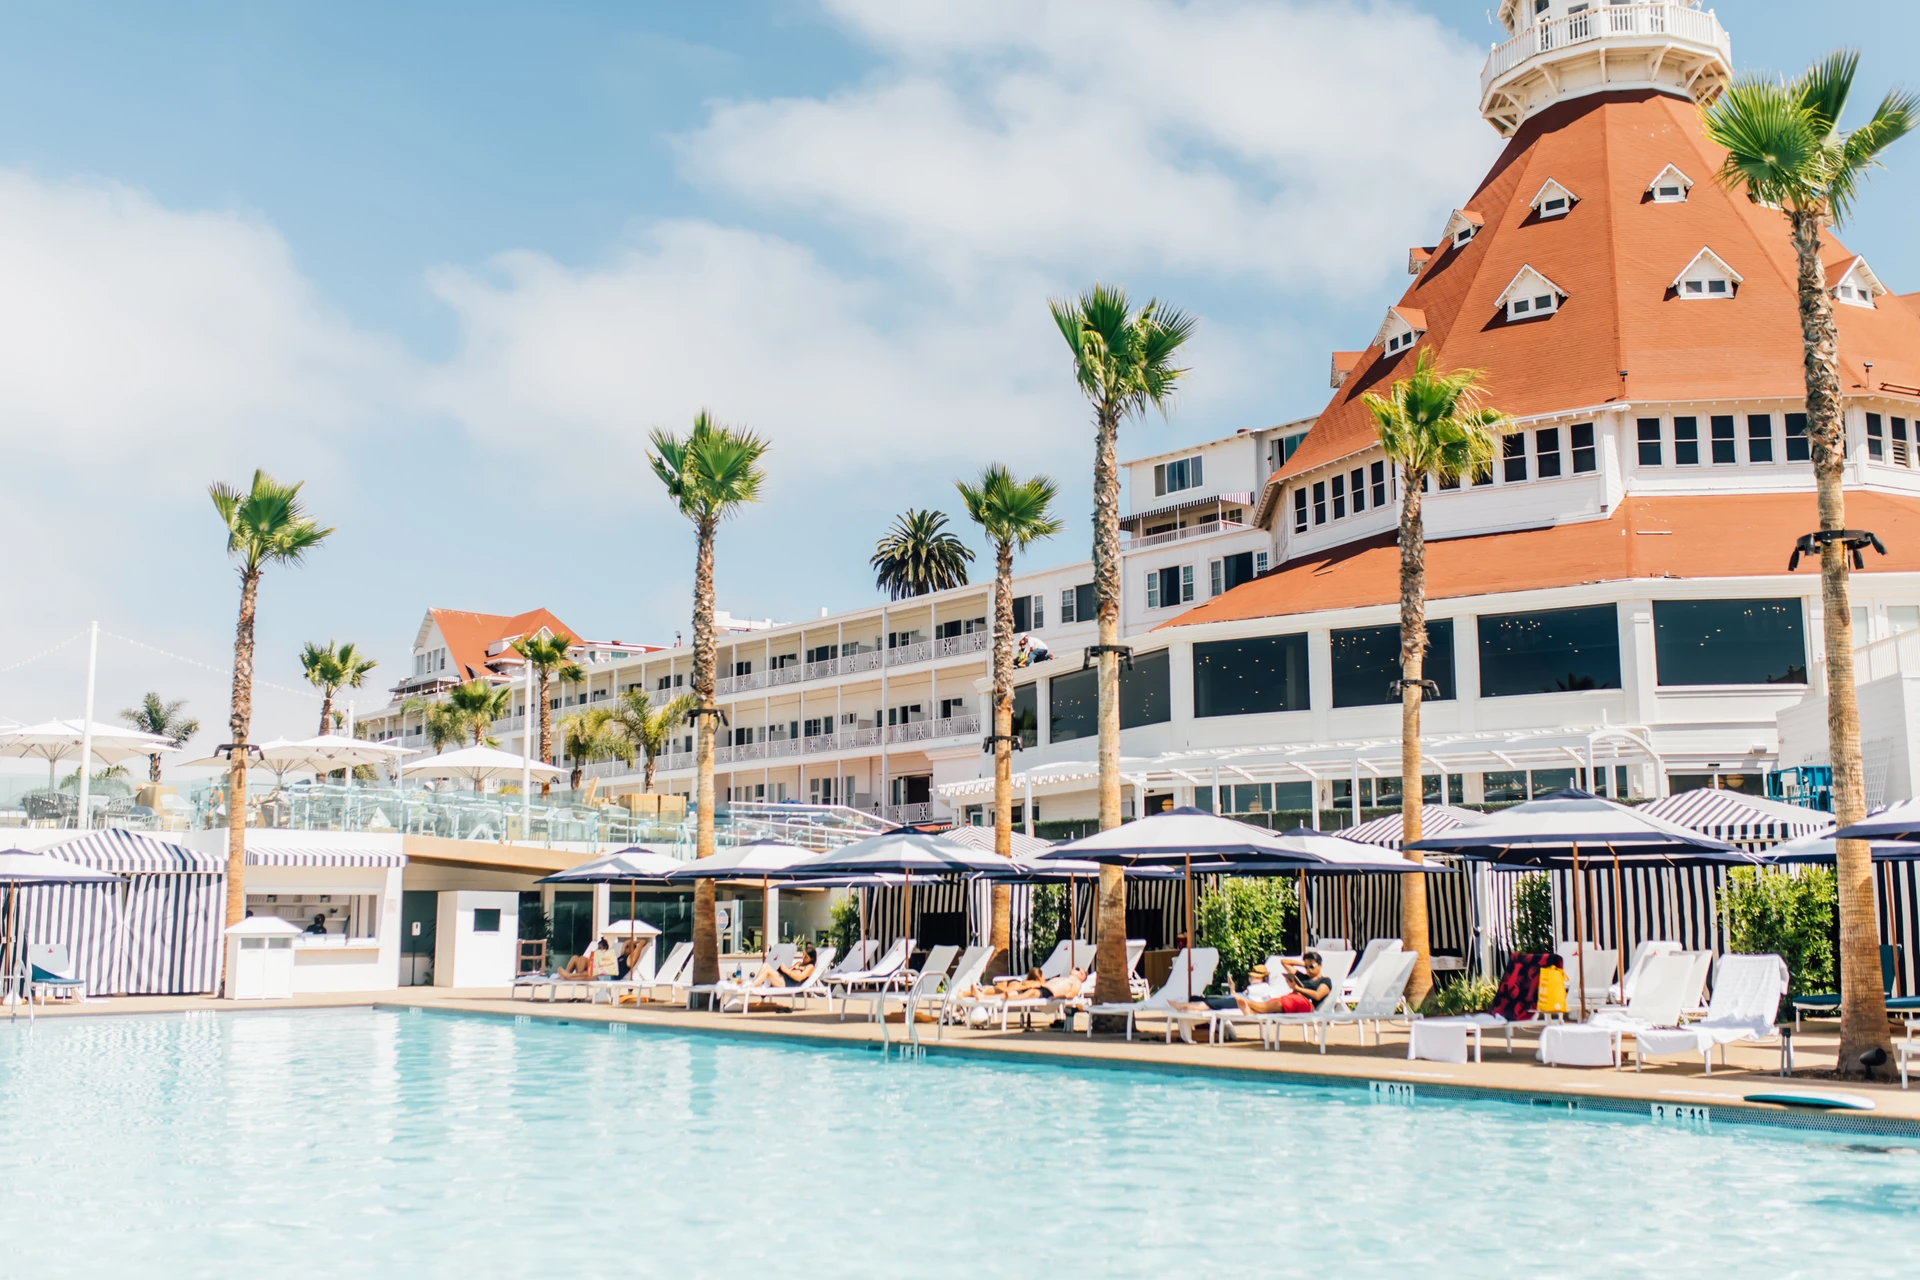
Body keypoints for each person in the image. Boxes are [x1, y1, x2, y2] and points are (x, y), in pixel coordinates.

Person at [1233, 951, 1331, 1015]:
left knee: (1277, 1004)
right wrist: (1303, 964)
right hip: (1293, 997)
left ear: (1320, 965)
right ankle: (1250, 1012)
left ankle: (1247, 1002)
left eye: (1312, 966)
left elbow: (1318, 995)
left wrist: (1297, 988)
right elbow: (1284, 962)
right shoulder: (1302, 976)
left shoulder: (1325, 980)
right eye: (1306, 967)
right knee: (1274, 1002)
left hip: (1307, 1004)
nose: (1309, 969)